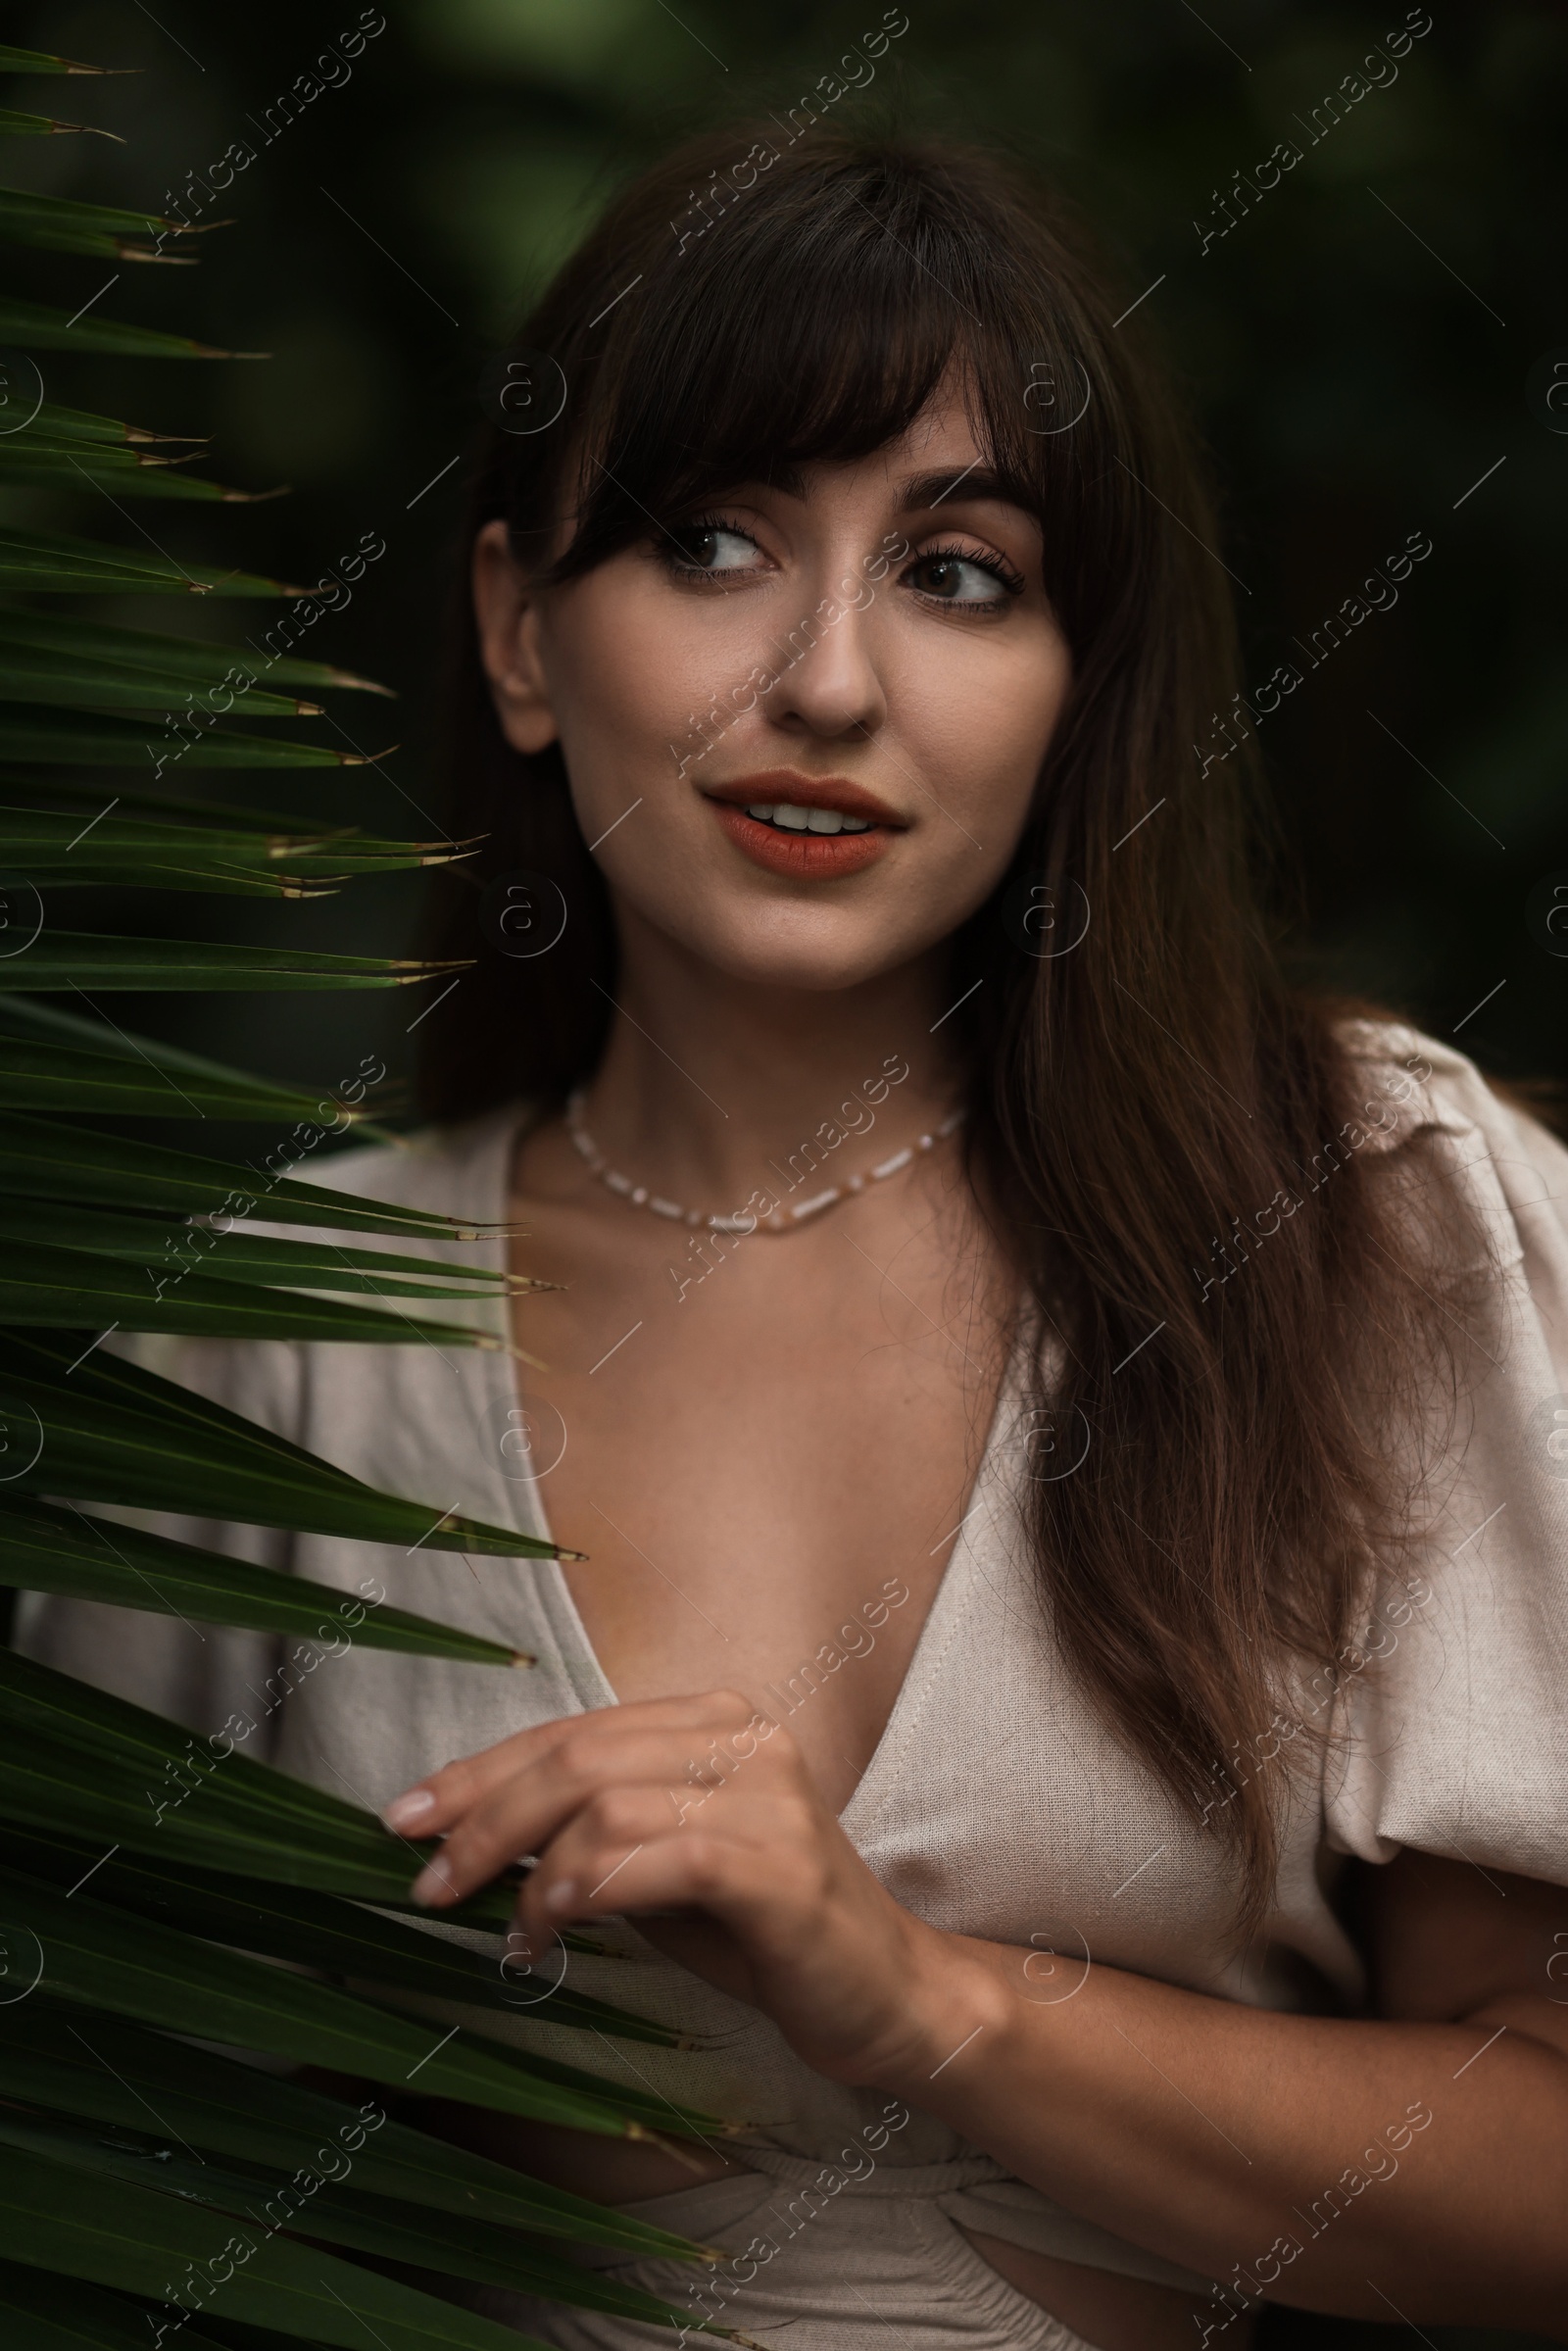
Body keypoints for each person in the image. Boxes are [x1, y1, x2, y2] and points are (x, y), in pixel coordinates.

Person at [20, 126, 1568, 2351]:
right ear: (518, 634)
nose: (826, 683)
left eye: (956, 573)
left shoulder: (1355, 1220)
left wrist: (915, 1995)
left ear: (1073, 685)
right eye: (713, 542)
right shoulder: (266, 1358)